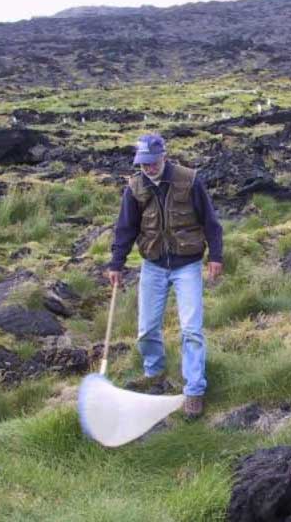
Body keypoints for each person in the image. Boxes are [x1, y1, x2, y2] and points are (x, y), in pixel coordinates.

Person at [107, 134, 223, 420]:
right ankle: (155, 374)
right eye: (143, 163)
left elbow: (210, 221)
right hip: (153, 265)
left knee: (191, 330)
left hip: (188, 266)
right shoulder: (135, 187)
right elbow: (125, 229)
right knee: (147, 330)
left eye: (152, 162)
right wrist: (116, 264)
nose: (148, 168)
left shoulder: (189, 180)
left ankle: (194, 391)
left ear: (164, 157)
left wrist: (216, 256)